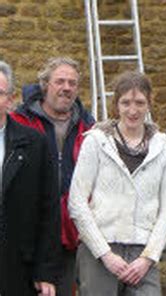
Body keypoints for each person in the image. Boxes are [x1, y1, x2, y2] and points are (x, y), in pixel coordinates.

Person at [68, 71, 166, 295]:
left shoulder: (163, 147)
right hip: (100, 249)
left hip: (143, 252)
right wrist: (105, 254)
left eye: (139, 102)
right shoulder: (96, 142)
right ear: (116, 104)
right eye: (125, 102)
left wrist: (148, 258)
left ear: (149, 104)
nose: (133, 110)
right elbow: (77, 202)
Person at [10, 57, 95, 295]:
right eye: (60, 81)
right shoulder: (20, 122)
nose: (66, 87)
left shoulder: (89, 129)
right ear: (45, 85)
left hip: (71, 235)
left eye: (72, 83)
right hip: (26, 235)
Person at [0, 61, 60, 295]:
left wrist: (44, 271)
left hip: (17, 265)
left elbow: (48, 209)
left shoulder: (35, 143)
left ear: (10, 99)